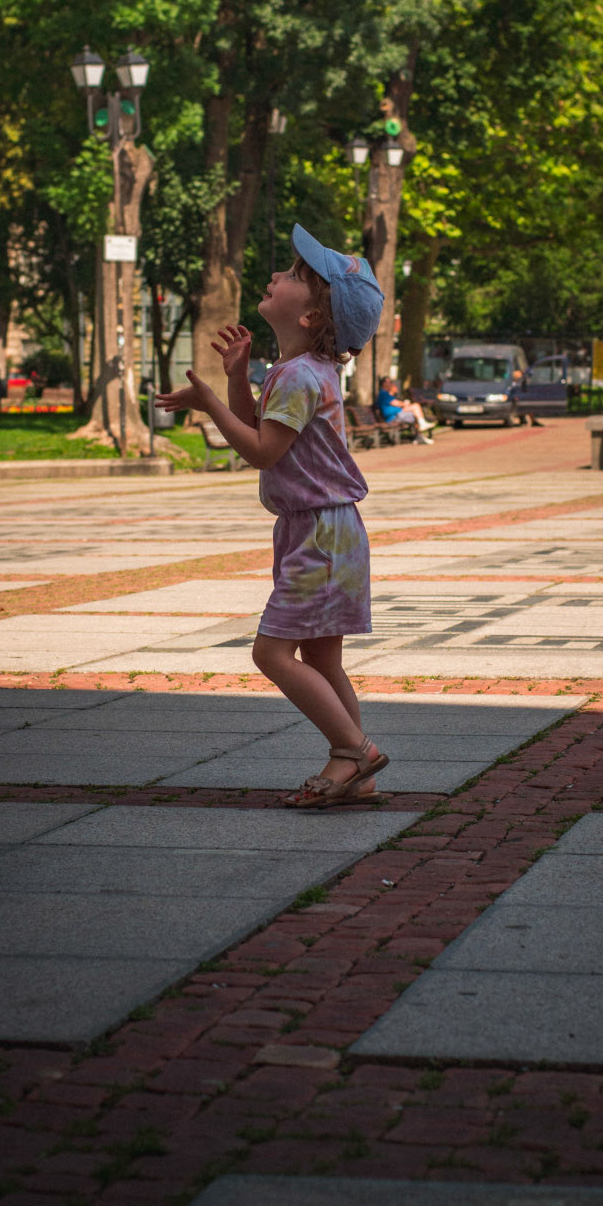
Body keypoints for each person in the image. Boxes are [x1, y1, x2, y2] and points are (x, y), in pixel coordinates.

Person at [157, 226, 387, 808]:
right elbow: (262, 432)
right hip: (327, 529)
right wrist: (236, 379)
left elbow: (261, 452)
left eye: (294, 275)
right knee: (322, 658)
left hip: (318, 535)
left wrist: (209, 402)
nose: (277, 276)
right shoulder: (301, 370)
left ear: (311, 316)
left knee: (271, 653)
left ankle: (355, 751)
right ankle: (357, 770)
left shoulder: (296, 375)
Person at [375, 373, 432, 442]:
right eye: (389, 382)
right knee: (416, 410)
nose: (391, 384)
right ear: (384, 384)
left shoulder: (386, 394)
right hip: (393, 417)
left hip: (397, 415)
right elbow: (396, 403)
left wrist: (404, 405)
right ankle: (420, 432)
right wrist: (405, 403)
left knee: (415, 410)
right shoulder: (383, 394)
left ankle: (420, 432)